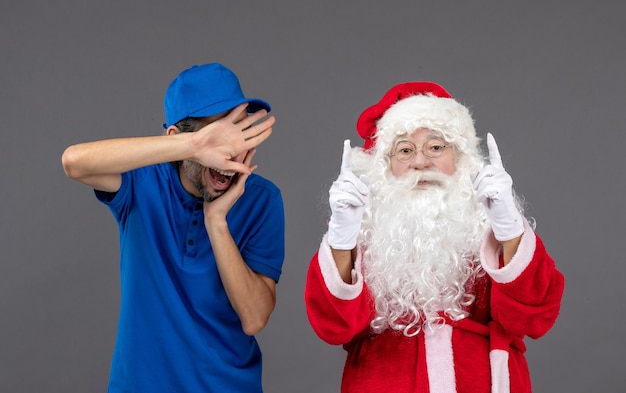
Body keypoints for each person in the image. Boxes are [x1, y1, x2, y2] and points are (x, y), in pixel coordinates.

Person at [304, 82, 564, 393]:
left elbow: (536, 318)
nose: (420, 162)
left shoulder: (490, 222)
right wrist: (342, 238)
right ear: (385, 166)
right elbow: (333, 327)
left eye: (436, 147)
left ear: (461, 156)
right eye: (404, 150)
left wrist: (509, 229)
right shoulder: (363, 230)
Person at [62, 63, 285, 392]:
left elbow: (254, 319)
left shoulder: (262, 199)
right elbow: (73, 162)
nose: (231, 152)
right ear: (177, 140)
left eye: (238, 134)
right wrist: (194, 146)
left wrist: (216, 222)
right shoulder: (140, 181)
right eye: (218, 138)